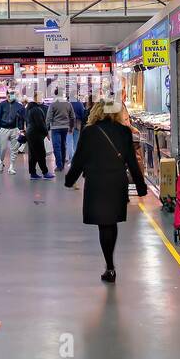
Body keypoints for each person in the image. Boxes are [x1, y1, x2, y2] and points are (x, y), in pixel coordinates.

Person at [64, 99, 147, 283]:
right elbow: (132, 162)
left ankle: (109, 266)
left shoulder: (89, 132)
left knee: (104, 224)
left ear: (96, 112)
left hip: (96, 183)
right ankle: (110, 265)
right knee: (112, 222)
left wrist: (70, 180)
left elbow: (79, 160)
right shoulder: (124, 132)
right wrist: (141, 187)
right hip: (117, 182)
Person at [0, 90, 24, 174]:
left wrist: (21, 129)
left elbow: (22, 119)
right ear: (6, 95)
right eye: (9, 94)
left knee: (14, 149)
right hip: (3, 128)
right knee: (2, 148)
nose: (10, 96)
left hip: (15, 129)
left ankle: (11, 167)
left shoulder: (19, 106)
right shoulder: (2, 105)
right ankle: (1, 161)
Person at [47, 89, 75, 174]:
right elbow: (72, 116)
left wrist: (46, 129)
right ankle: (62, 163)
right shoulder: (68, 104)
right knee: (63, 145)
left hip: (55, 128)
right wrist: (71, 127)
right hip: (65, 127)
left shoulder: (53, 104)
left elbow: (49, 117)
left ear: (55, 94)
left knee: (57, 147)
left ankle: (59, 165)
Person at [24, 95, 51, 178]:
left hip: (30, 133)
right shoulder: (37, 110)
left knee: (33, 154)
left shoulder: (29, 109)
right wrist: (46, 133)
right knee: (41, 153)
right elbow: (41, 124)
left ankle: (33, 173)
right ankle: (45, 172)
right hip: (36, 134)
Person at [68, 93, 86, 162]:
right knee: (76, 142)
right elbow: (82, 114)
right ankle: (75, 158)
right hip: (77, 124)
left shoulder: (67, 103)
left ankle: (71, 157)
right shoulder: (79, 104)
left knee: (69, 141)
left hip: (69, 123)